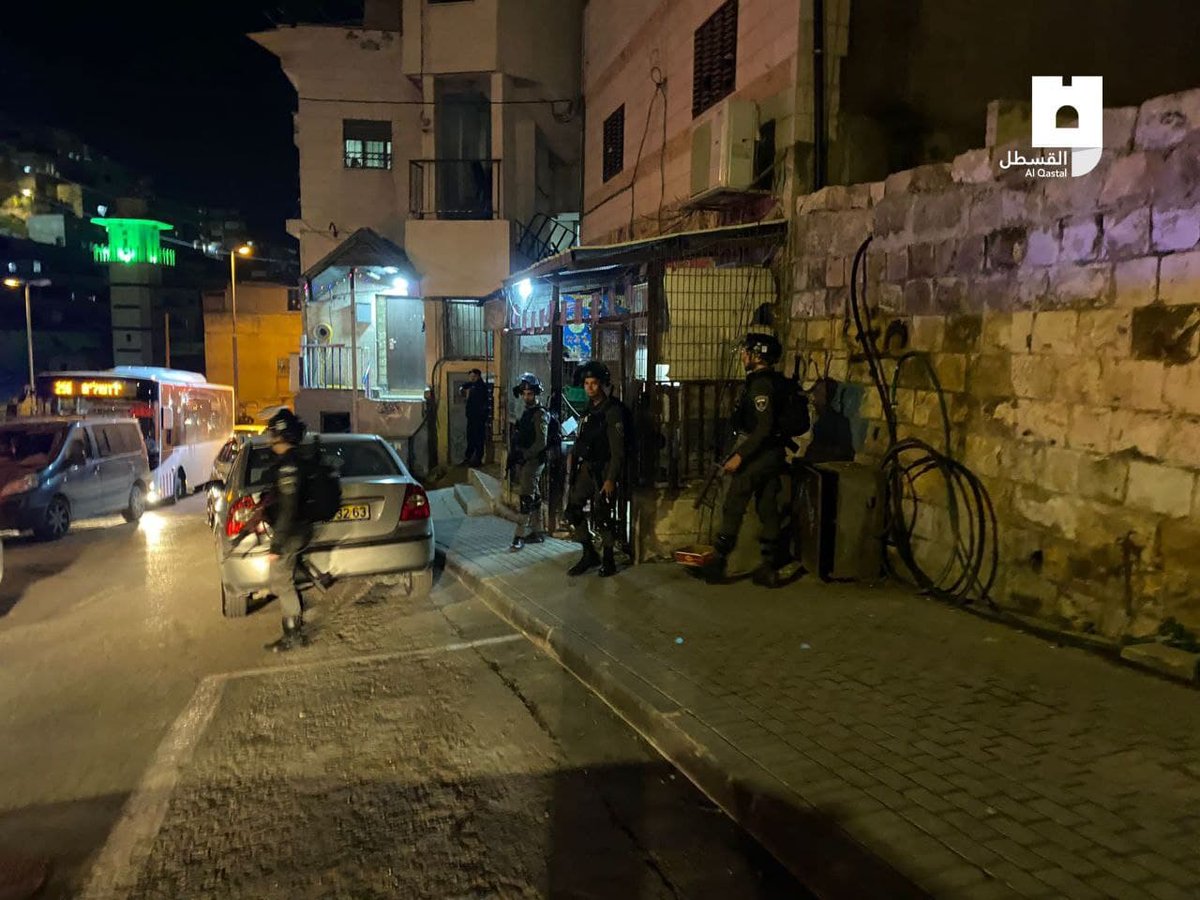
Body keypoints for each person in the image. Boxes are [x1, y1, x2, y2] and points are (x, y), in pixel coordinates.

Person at [698, 333, 789, 588]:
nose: (743, 355)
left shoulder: (761, 385)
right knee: (768, 506)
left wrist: (740, 455)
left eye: (747, 351)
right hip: (773, 454)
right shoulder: (775, 382)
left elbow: (763, 427)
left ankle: (718, 563)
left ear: (757, 355)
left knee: (734, 502)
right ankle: (769, 567)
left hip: (759, 454)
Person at [564, 360, 627, 578]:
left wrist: (611, 479)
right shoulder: (587, 410)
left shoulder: (612, 411)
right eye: (586, 383)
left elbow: (618, 450)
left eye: (594, 383)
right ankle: (589, 553)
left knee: (602, 515)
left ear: (602, 384)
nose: (590, 387)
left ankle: (608, 558)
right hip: (586, 468)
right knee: (572, 510)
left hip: (604, 469)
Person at [262, 408, 314, 652]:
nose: (269, 439)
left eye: (272, 433)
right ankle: (296, 624)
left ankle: (293, 634)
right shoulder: (295, 460)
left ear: (280, 436)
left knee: (281, 582)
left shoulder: (288, 466)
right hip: (299, 529)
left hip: (291, 533)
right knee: (284, 580)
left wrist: (276, 545)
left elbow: (288, 508)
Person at [508, 373, 549, 551]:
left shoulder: (540, 414)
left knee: (526, 498)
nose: (526, 397)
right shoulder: (527, 412)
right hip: (526, 460)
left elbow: (541, 442)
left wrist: (525, 455)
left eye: (530, 394)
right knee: (535, 497)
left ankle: (519, 535)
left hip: (533, 461)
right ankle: (537, 532)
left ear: (536, 394)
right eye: (524, 394)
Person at [458, 369, 491, 467]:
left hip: (478, 418)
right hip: (472, 418)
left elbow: (479, 402)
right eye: (471, 376)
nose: (472, 378)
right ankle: (469, 458)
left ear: (478, 376)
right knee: (471, 438)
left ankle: (477, 460)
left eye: (474, 376)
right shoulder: (473, 385)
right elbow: (466, 385)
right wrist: (462, 388)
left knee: (478, 439)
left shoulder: (480, 387)